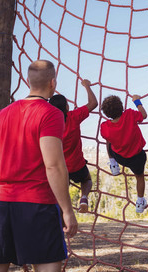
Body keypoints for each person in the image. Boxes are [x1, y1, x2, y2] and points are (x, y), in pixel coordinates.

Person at [0, 60, 78, 272]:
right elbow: (53, 165)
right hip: (38, 204)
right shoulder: (51, 113)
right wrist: (67, 210)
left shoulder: (1, 115)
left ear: (27, 81)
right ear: (53, 83)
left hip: (1, 204)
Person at [49, 78, 98, 213]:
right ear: (67, 107)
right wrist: (87, 86)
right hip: (77, 165)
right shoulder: (73, 116)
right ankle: (83, 198)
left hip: (59, 168)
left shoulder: (49, 123)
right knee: (87, 180)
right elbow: (93, 103)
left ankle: (63, 215)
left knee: (60, 192)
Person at [100, 94, 148, 213]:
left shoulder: (104, 126)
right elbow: (144, 115)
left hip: (120, 157)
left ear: (106, 113)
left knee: (108, 140)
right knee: (140, 177)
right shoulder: (130, 114)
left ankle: (113, 164)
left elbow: (108, 137)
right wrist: (137, 101)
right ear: (121, 107)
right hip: (137, 156)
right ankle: (140, 201)